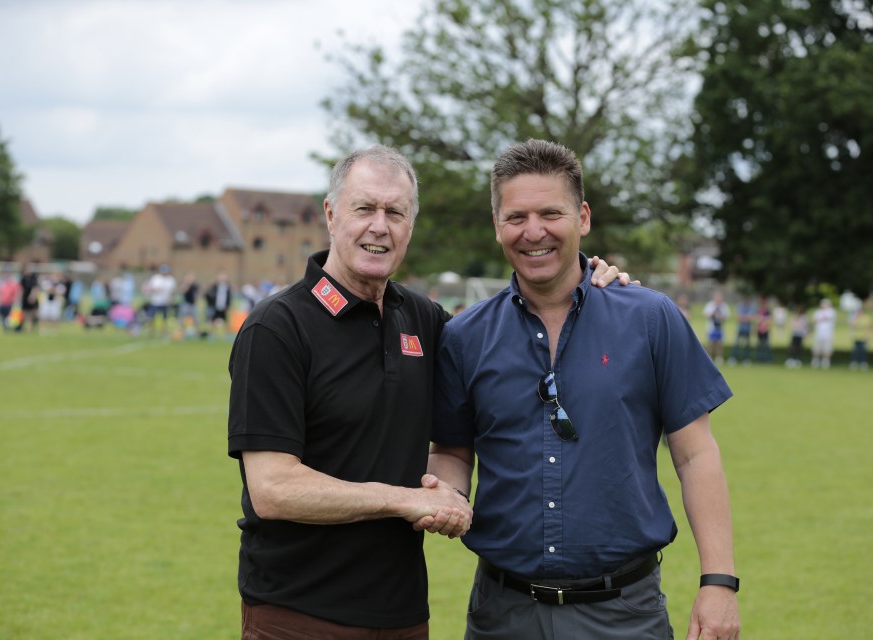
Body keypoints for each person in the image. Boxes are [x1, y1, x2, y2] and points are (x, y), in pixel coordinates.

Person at [227, 144, 633, 639]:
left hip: (402, 615)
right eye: (365, 209)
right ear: (332, 215)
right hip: (298, 614)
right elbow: (273, 489)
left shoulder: (424, 321)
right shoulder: (278, 327)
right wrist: (402, 500)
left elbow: (502, 347)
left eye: (395, 212)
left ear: (410, 226)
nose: (380, 226)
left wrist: (591, 285)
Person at [428, 140, 739, 640]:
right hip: (503, 616)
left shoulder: (650, 318)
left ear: (583, 218)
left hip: (624, 615)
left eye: (551, 213)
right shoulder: (464, 337)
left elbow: (696, 455)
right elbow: (451, 451)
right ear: (497, 225)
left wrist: (718, 581)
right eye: (516, 217)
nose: (534, 232)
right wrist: (445, 495)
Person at [703, 291, 731, 365]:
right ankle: (708, 357)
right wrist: (713, 313)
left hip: (720, 327)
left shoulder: (724, 306)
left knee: (719, 343)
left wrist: (722, 316)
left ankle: (719, 358)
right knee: (711, 343)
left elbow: (727, 316)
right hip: (712, 327)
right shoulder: (710, 305)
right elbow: (706, 314)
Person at [204, 270, 232, 337]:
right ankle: (211, 334)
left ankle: (225, 335)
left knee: (225, 320)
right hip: (215, 306)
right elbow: (208, 295)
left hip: (224, 307)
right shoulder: (214, 286)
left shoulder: (228, 287)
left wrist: (228, 305)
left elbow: (229, 297)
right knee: (212, 320)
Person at [811, 298, 836, 369]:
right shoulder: (818, 312)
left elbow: (826, 318)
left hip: (828, 334)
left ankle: (825, 362)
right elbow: (814, 320)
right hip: (818, 333)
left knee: (827, 349)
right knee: (816, 349)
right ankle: (815, 361)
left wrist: (820, 319)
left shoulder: (831, 311)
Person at [729, 296, 754, 365]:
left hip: (748, 329)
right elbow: (737, 317)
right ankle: (733, 358)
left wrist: (743, 317)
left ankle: (746, 359)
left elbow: (751, 318)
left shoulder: (751, 307)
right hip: (740, 328)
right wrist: (745, 317)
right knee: (736, 344)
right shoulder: (740, 306)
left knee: (747, 345)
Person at [754, 295, 772, 363]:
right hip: (759, 330)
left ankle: (767, 360)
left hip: (765, 330)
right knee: (759, 345)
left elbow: (769, 320)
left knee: (766, 346)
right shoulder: (758, 311)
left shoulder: (767, 312)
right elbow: (757, 320)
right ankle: (759, 359)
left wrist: (763, 320)